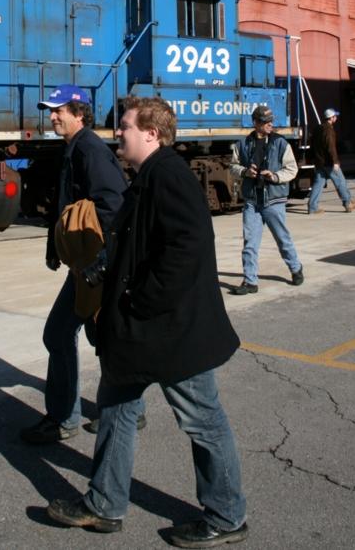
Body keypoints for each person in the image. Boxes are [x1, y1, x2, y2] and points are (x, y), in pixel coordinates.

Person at [46, 96, 248, 548]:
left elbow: (186, 248)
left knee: (203, 421)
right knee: (116, 408)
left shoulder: (169, 176)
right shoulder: (148, 175)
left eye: (125, 126)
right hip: (140, 331)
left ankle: (227, 515)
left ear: (151, 134)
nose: (118, 132)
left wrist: (138, 299)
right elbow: (137, 241)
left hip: (172, 331)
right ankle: (104, 504)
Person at [20, 84, 144, 444]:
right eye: (51, 110)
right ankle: (128, 410)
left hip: (95, 265)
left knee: (64, 333)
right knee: (95, 334)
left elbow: (114, 206)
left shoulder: (89, 150)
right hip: (85, 263)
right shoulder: (75, 147)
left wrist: (102, 262)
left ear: (79, 114)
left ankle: (68, 418)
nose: (52, 116)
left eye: (59, 110)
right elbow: (68, 206)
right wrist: (54, 246)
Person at [229, 105, 303, 295]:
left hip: (274, 201)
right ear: (255, 123)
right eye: (265, 122)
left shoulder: (281, 143)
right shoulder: (242, 144)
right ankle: (250, 281)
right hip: (252, 202)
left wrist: (275, 176)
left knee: (282, 239)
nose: (270, 124)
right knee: (250, 243)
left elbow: (292, 169)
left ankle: (295, 268)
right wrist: (245, 172)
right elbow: (233, 167)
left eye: (271, 121)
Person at [308, 108, 355, 215]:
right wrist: (335, 161)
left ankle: (312, 207)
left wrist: (313, 159)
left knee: (318, 184)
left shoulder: (318, 128)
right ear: (331, 118)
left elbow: (312, 145)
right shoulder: (329, 130)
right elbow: (331, 147)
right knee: (340, 182)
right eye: (335, 116)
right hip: (329, 163)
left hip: (319, 162)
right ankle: (348, 203)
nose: (336, 118)